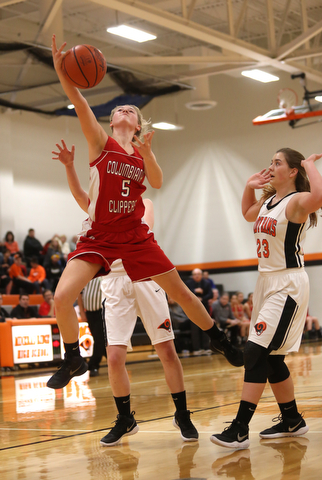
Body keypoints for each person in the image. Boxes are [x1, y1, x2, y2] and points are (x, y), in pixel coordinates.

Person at [46, 34, 243, 391]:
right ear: (111, 122)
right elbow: (77, 99)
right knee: (61, 297)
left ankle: (219, 338)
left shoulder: (139, 156)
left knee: (184, 293)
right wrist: (63, 71)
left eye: (131, 111)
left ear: (137, 126)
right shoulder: (100, 144)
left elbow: (158, 181)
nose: (123, 110)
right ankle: (73, 357)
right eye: (119, 109)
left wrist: (149, 153)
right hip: (100, 237)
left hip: (134, 236)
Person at [50, 140, 200, 445]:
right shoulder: (97, 206)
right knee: (114, 358)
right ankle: (125, 419)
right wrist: (68, 166)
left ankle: (182, 414)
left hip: (144, 279)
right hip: (115, 285)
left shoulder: (142, 204)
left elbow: (137, 232)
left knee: (167, 352)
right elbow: (81, 195)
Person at [211, 147, 322, 449]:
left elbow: (319, 197)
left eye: (278, 162)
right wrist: (249, 187)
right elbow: (247, 214)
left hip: (288, 283)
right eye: (271, 161)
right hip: (266, 282)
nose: (271, 166)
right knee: (271, 358)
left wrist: (311, 165)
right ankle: (292, 420)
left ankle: (240, 428)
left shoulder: (296, 201)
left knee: (254, 352)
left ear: (293, 171)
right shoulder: (268, 201)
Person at [78, 277, 106, 377]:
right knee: (99, 340)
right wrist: (82, 312)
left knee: (100, 340)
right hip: (89, 312)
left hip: (102, 312)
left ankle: (93, 365)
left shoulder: (104, 276)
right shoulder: (87, 276)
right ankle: (113, 361)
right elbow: (80, 295)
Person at [185, 268, 214, 354]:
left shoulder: (206, 283)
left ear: (201, 275)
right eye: (195, 274)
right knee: (195, 329)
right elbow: (185, 293)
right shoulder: (188, 283)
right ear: (192, 276)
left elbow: (210, 294)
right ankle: (196, 349)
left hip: (204, 307)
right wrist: (194, 291)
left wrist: (202, 299)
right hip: (192, 309)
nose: (197, 276)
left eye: (198, 274)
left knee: (206, 327)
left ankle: (206, 347)